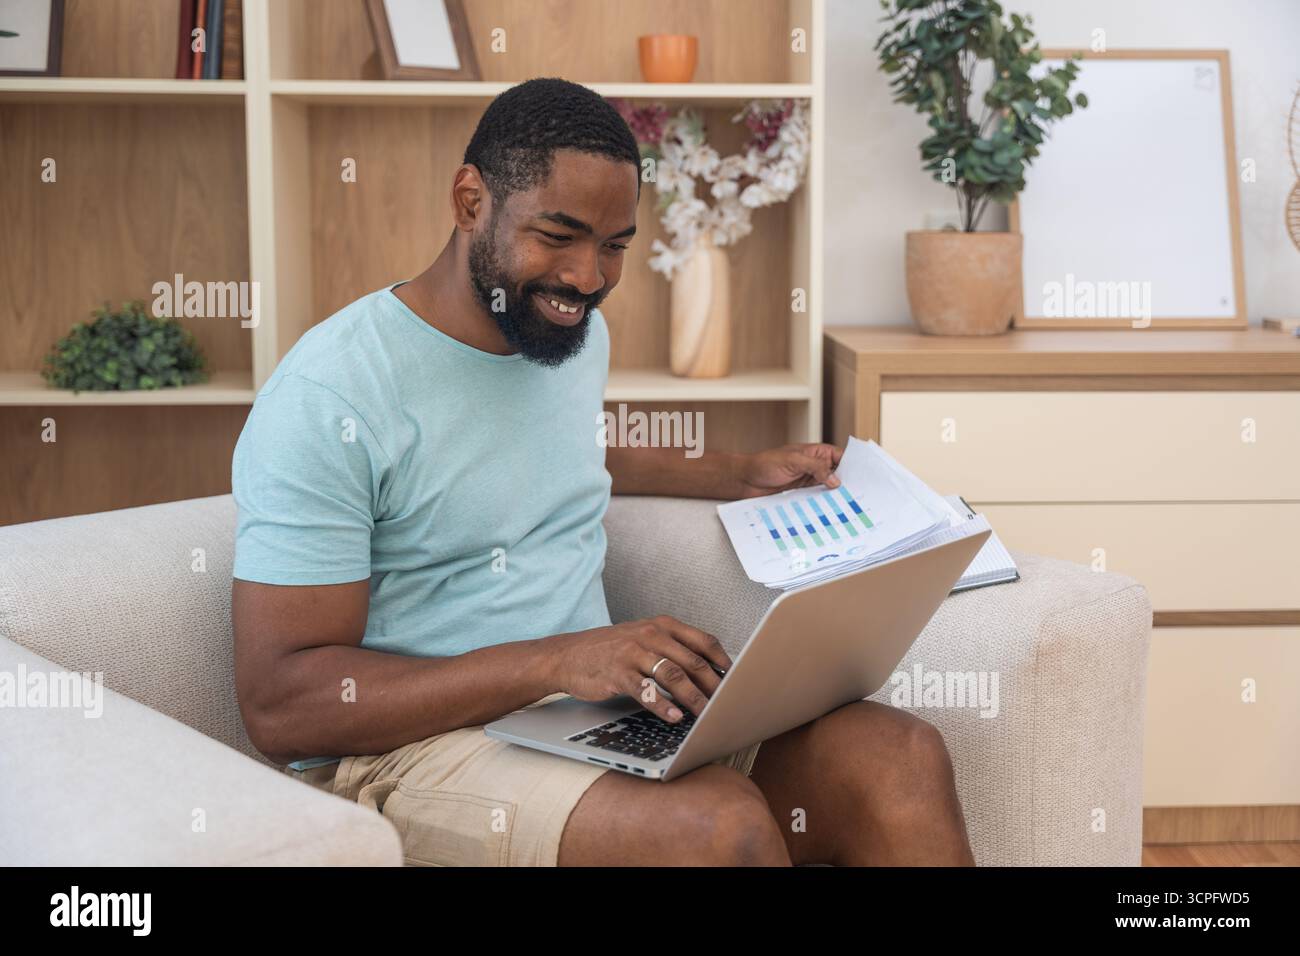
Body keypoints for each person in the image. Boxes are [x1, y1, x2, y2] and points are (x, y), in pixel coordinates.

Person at [231, 77, 974, 866]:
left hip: (585, 715)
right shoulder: (331, 393)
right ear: (469, 199)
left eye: (615, 245)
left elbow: (560, 452)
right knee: (718, 830)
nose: (588, 278)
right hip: (411, 751)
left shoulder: (563, 332)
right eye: (559, 235)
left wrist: (736, 471)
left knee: (897, 760)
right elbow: (284, 705)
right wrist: (556, 659)